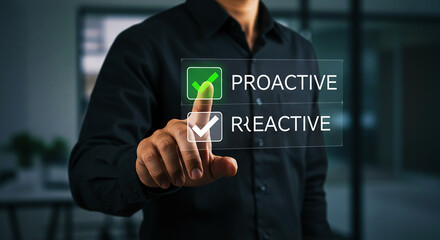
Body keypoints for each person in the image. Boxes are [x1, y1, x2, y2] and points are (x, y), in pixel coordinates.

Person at [69, 0, 332, 239]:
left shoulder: (300, 52)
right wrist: (146, 166)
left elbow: (311, 181)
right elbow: (88, 173)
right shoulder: (144, 44)